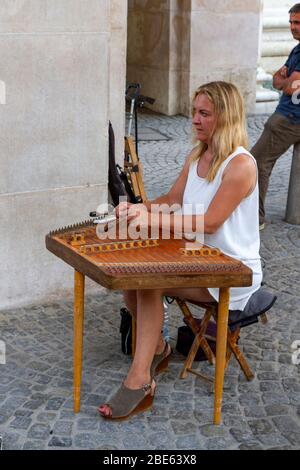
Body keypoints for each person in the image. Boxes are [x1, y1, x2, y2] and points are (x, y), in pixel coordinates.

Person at [98, 81, 262, 420]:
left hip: (232, 269)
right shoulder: (198, 155)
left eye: (204, 114)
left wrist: (151, 220)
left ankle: (140, 379)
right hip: (195, 257)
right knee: (131, 274)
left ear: (226, 117)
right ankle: (157, 347)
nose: (195, 120)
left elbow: (212, 222)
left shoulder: (240, 165)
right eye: (194, 112)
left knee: (150, 279)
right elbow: (172, 202)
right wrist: (136, 210)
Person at [251, 3, 300, 229]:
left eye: (297, 22)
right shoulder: (296, 50)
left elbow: (294, 87)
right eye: (291, 22)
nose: (293, 27)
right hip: (288, 117)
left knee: (256, 163)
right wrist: (284, 81)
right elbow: (276, 80)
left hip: (289, 119)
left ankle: (255, 218)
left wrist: (285, 81)